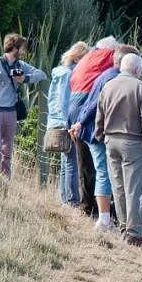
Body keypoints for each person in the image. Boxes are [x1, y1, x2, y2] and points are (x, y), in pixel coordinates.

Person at [71, 44, 140, 232]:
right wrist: (81, 122)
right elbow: (95, 103)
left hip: (91, 129)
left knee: (104, 173)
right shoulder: (114, 78)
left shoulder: (107, 74)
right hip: (95, 132)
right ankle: (104, 221)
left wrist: (79, 122)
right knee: (105, 174)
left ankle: (106, 219)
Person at [96, 53, 142, 247]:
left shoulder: (108, 85)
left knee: (118, 186)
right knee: (133, 189)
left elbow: (100, 114)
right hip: (133, 141)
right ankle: (134, 233)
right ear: (138, 70)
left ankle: (123, 227)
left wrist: (100, 135)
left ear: (122, 67)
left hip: (111, 140)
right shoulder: (141, 87)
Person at [0, 33, 47, 178]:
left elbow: (41, 74)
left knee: (8, 148)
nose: (24, 51)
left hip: (11, 111)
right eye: (23, 48)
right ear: (15, 48)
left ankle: (5, 180)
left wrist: (25, 78)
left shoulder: (20, 65)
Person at [67, 36, 117, 216]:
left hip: (73, 107)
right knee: (99, 164)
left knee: (83, 162)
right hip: (88, 109)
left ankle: (86, 205)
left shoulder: (86, 59)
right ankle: (95, 208)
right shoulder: (109, 56)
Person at [47, 41, 90, 207]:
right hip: (66, 121)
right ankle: (71, 200)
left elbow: (53, 99)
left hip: (55, 119)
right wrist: (68, 123)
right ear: (78, 59)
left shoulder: (58, 73)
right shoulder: (70, 74)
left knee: (66, 161)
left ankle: (65, 198)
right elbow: (67, 100)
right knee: (71, 161)